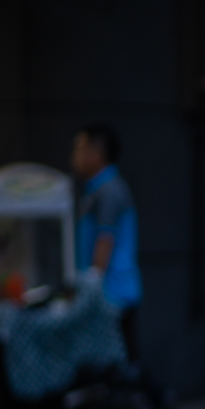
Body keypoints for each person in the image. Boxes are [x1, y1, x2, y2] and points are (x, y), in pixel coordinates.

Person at [70, 124, 143, 359]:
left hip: (113, 293)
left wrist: (92, 281)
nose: (75, 156)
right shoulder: (97, 188)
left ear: (97, 152)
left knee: (121, 359)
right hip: (109, 292)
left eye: (80, 149)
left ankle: (150, 395)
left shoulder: (109, 189)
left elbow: (105, 238)